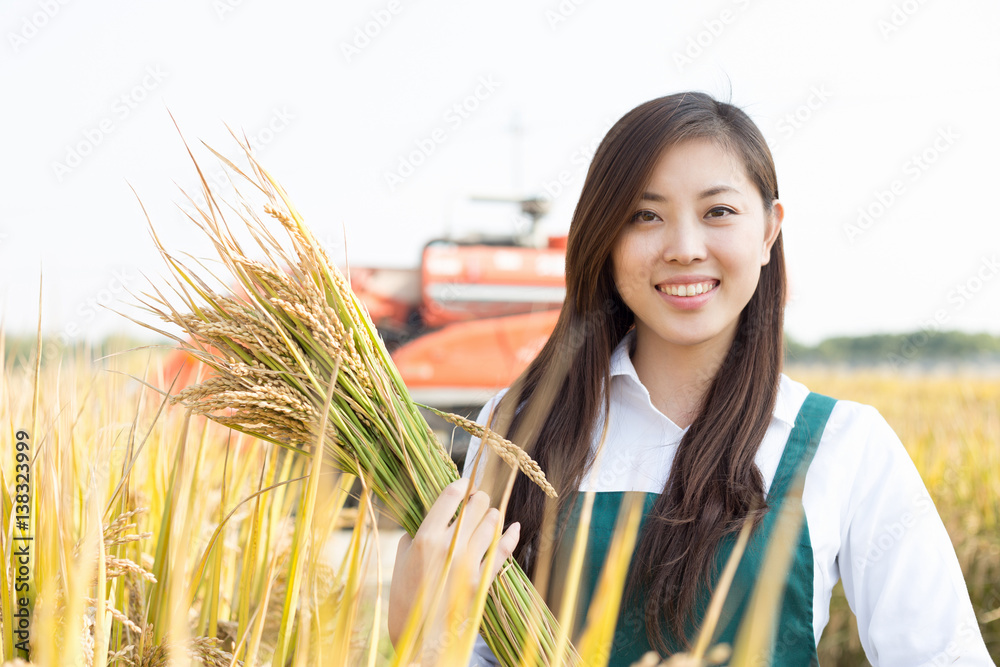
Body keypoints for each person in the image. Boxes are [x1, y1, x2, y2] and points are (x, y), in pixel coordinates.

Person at [388, 92, 995, 666]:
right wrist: (421, 636)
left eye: (719, 212)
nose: (683, 247)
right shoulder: (514, 428)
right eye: (645, 215)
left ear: (768, 230)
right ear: (606, 238)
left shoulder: (845, 445)